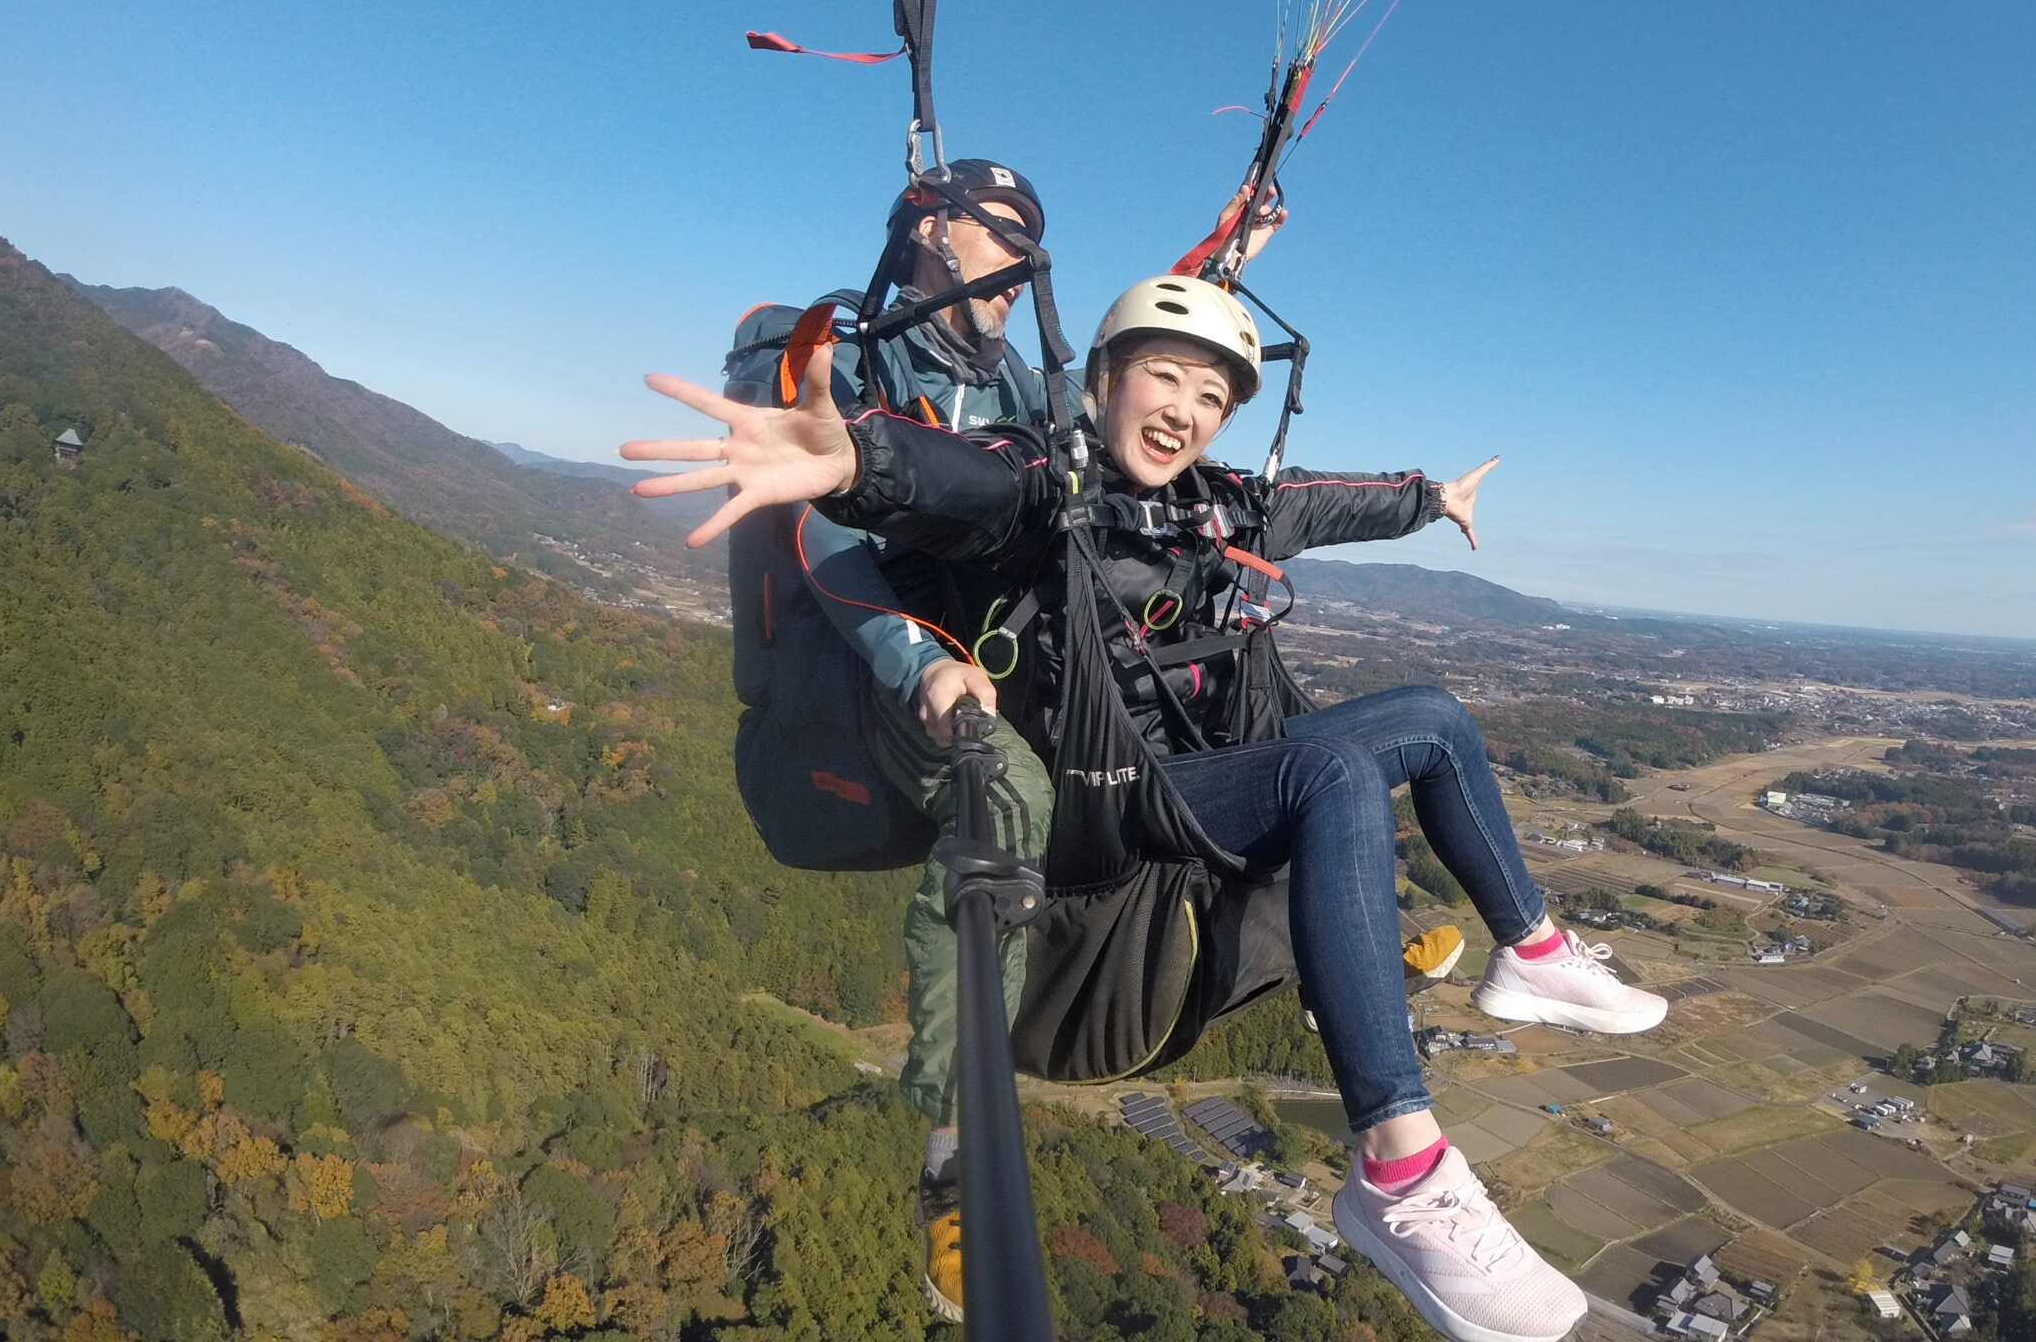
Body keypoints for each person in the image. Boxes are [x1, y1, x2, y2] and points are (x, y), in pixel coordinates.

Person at [633, 276, 1668, 1342]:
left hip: (1191, 775)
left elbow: (1324, 501)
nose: (1184, 406)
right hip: (1097, 801)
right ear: (1101, 383)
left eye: (1212, 394)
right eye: (1162, 377)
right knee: (1330, 776)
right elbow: (956, 481)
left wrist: (1427, 497)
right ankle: (1400, 1173)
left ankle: (1530, 952)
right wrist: (857, 465)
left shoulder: (1211, 501)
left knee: (1434, 718)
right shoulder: (1041, 483)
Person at [722, 158, 1053, 1324]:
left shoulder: (1016, 389)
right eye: (1001, 234)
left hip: (952, 681)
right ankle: (955, 1158)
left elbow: (1128, 407)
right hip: (854, 689)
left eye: (1034, 244)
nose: (1020, 267)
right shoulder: (829, 353)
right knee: (1006, 787)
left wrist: (1221, 267)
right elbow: (817, 530)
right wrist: (923, 666)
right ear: (931, 228)